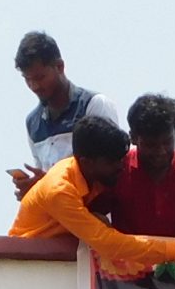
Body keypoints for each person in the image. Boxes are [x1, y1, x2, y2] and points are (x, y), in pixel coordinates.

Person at [9, 115, 175, 277]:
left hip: (61, 266)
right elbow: (110, 244)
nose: (121, 167)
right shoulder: (60, 191)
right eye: (112, 162)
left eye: (121, 159)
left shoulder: (90, 175)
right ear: (86, 162)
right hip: (30, 267)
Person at [8, 31, 122, 198]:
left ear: (60, 66)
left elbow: (109, 170)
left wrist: (47, 185)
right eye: (28, 79)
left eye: (40, 78)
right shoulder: (32, 123)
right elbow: (45, 178)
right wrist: (33, 190)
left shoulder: (94, 105)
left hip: (94, 210)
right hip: (56, 211)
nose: (34, 86)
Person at [109, 93, 175, 240]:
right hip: (126, 254)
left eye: (167, 142)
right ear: (133, 138)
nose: (161, 151)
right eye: (151, 145)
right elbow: (94, 213)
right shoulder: (116, 169)